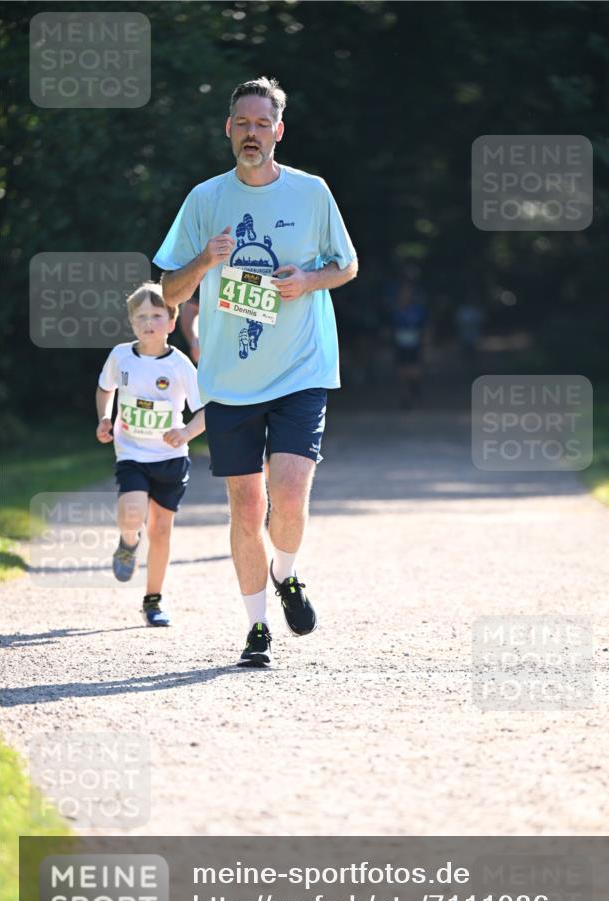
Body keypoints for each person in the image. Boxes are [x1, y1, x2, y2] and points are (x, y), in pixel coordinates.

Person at [154, 76, 358, 666]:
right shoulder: (204, 200)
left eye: (261, 124)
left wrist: (308, 281)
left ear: (279, 131)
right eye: (241, 123)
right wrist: (204, 259)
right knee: (245, 506)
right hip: (230, 379)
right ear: (228, 129)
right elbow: (169, 292)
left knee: (288, 495)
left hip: (300, 369)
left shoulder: (312, 193)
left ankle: (286, 575)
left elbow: (346, 265)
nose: (251, 133)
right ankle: (256, 629)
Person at [96, 282, 205, 626]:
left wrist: (186, 431)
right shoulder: (120, 357)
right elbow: (105, 389)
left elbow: (206, 411)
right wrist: (104, 417)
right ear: (131, 323)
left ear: (172, 323)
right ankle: (128, 542)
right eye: (141, 316)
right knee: (132, 511)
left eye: (157, 316)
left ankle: (153, 601)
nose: (149, 323)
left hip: (170, 459)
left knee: (161, 530)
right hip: (132, 453)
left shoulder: (180, 365)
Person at [387, 271, 428, 408]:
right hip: (399, 345)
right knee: (401, 372)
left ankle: (415, 388)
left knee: (414, 371)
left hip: (414, 345)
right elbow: (389, 328)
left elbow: (425, 326)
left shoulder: (417, 310)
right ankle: (405, 399)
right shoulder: (394, 311)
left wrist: (425, 340)